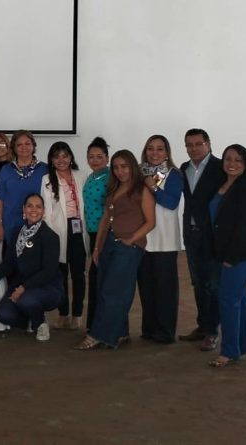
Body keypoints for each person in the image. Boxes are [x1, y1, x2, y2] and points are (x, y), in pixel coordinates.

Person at [74, 150, 155, 350]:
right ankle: (120, 333)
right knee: (106, 288)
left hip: (128, 247)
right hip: (109, 243)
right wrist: (97, 246)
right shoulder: (114, 188)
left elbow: (150, 222)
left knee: (114, 291)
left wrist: (131, 239)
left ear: (132, 166)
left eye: (124, 166)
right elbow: (105, 219)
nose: (120, 171)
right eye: (117, 167)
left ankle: (98, 335)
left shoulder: (142, 190)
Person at [0, 193, 62, 342]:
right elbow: (9, 263)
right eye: (30, 206)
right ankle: (33, 317)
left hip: (46, 287)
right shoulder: (17, 232)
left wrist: (24, 288)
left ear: (43, 211)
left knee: (26, 300)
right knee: (3, 315)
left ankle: (40, 324)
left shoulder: (50, 236)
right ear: (24, 209)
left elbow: (48, 272)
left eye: (38, 207)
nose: (34, 210)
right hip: (21, 286)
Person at [207, 144, 246, 367]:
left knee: (228, 300)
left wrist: (232, 256)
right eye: (228, 159)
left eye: (238, 160)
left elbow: (244, 225)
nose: (232, 164)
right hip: (222, 252)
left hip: (239, 254)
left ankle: (228, 352)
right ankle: (243, 346)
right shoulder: (223, 184)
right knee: (239, 300)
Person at [178, 128, 225, 351]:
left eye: (198, 144)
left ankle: (212, 331)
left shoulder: (221, 167)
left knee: (213, 285)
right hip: (192, 234)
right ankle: (202, 326)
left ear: (208, 144)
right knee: (198, 283)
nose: (193, 148)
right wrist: (150, 178)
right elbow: (157, 185)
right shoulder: (183, 168)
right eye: (189, 145)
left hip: (213, 236)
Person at [137, 135, 183, 344]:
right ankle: (149, 329)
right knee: (146, 288)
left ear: (167, 153)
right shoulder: (139, 173)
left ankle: (165, 332)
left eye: (159, 149)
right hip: (143, 238)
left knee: (165, 289)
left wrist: (153, 187)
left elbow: (171, 203)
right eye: (150, 148)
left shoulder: (173, 174)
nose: (154, 153)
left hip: (164, 239)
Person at [40, 141, 88, 330]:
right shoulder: (47, 179)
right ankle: (63, 313)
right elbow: (46, 210)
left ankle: (77, 314)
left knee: (78, 274)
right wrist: (50, 235)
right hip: (58, 230)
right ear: (51, 160)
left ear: (71, 157)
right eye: (56, 156)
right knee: (60, 275)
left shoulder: (81, 175)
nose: (61, 160)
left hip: (78, 229)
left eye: (65, 156)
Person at [0, 130, 49, 246]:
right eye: (19, 144)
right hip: (11, 224)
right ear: (13, 148)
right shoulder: (6, 170)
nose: (24, 147)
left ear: (33, 146)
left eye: (27, 143)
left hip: (37, 223)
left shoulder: (45, 169)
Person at [82, 137, 110, 331]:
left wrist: (158, 179)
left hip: (106, 233)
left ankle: (100, 326)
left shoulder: (111, 177)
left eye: (99, 156)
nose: (95, 160)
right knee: (95, 278)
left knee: (100, 278)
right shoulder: (91, 176)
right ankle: (93, 325)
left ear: (107, 158)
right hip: (92, 233)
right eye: (91, 156)